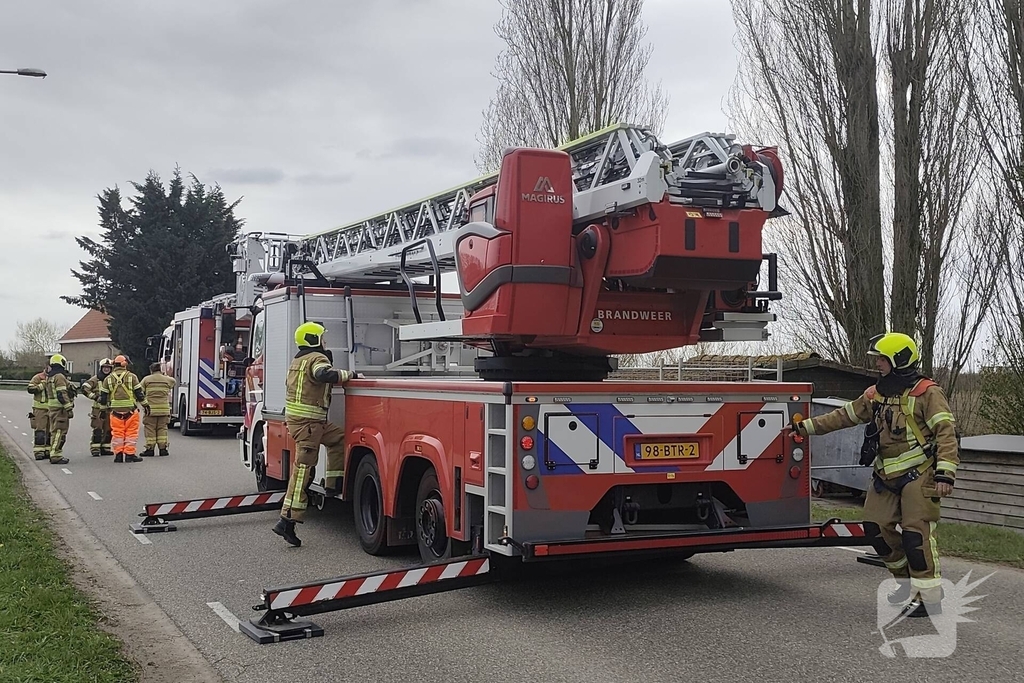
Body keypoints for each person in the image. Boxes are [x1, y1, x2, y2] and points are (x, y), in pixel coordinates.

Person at [795, 332, 959, 618]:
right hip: (884, 475)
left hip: (919, 475)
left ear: (899, 360)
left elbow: (946, 433)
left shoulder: (928, 393)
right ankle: (907, 585)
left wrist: (945, 473)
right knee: (875, 530)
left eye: (883, 359)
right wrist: (805, 427)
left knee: (914, 537)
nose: (878, 365)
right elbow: (843, 416)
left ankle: (929, 599)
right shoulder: (876, 394)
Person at [273, 321, 359, 547]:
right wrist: (349, 374)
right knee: (303, 471)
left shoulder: (298, 360)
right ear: (314, 339)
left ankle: (333, 483)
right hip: (309, 425)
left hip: (309, 424)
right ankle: (287, 519)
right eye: (322, 337)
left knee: (339, 439)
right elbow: (322, 375)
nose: (325, 341)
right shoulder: (316, 359)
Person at [99, 355, 149, 464]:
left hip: (115, 412)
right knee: (131, 434)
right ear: (124, 364)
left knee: (117, 434)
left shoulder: (108, 379)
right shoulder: (132, 377)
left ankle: (118, 455)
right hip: (130, 411)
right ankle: (129, 455)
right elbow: (139, 394)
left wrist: (102, 411)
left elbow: (103, 397)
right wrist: (146, 406)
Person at [44, 354, 74, 465]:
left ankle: (54, 452)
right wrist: (69, 408)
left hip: (52, 408)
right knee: (59, 432)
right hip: (60, 409)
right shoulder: (59, 376)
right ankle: (55, 455)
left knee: (54, 432)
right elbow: (61, 393)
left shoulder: (50, 376)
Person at [140, 362, 175, 457]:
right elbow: (173, 382)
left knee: (150, 429)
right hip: (164, 409)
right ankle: (163, 449)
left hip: (150, 410)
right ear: (160, 369)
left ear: (151, 370)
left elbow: (139, 390)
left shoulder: (146, 379)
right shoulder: (167, 379)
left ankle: (150, 449)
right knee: (162, 429)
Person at [81, 358, 114, 457]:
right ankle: (95, 448)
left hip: (110, 408)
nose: (106, 369)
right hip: (98, 409)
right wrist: (95, 397)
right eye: (105, 367)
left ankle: (105, 448)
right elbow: (84, 388)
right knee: (98, 429)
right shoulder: (95, 379)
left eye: (108, 368)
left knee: (109, 429)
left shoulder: (113, 379)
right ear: (101, 368)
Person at [26, 364, 51, 460]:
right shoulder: (38, 377)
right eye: (49, 367)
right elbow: (30, 389)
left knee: (50, 431)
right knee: (40, 430)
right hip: (40, 408)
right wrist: (42, 385)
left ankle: (48, 450)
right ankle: (39, 452)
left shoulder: (55, 378)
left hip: (52, 409)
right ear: (46, 367)